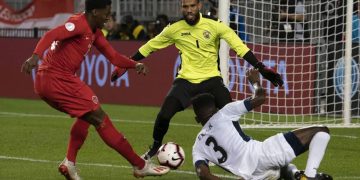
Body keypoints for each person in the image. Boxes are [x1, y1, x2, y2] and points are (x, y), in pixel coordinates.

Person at [111, 0, 284, 160]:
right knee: (163, 115)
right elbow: (150, 46)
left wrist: (261, 68)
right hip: (186, 80)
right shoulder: (174, 28)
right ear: (181, 7)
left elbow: (239, 47)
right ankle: (154, 148)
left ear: (199, 6)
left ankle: (243, 149)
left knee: (230, 117)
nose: (189, 10)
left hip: (212, 80)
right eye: (185, 7)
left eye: (192, 6)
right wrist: (127, 64)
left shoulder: (215, 25)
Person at [20, 0, 170, 179]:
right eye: (106, 12)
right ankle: (140, 165)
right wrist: (35, 57)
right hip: (57, 78)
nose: (109, 16)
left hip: (49, 81)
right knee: (100, 118)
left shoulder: (95, 32)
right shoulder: (78, 24)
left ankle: (69, 163)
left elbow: (113, 56)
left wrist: (134, 64)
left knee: (86, 116)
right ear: (94, 12)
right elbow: (51, 35)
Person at [191, 69, 332, 180]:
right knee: (321, 131)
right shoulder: (224, 112)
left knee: (282, 169)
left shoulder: (197, 146)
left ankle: (296, 176)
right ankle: (309, 176)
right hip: (262, 155)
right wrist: (255, 82)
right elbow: (260, 98)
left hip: (251, 176)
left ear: (197, 119)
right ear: (216, 108)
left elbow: (203, 173)